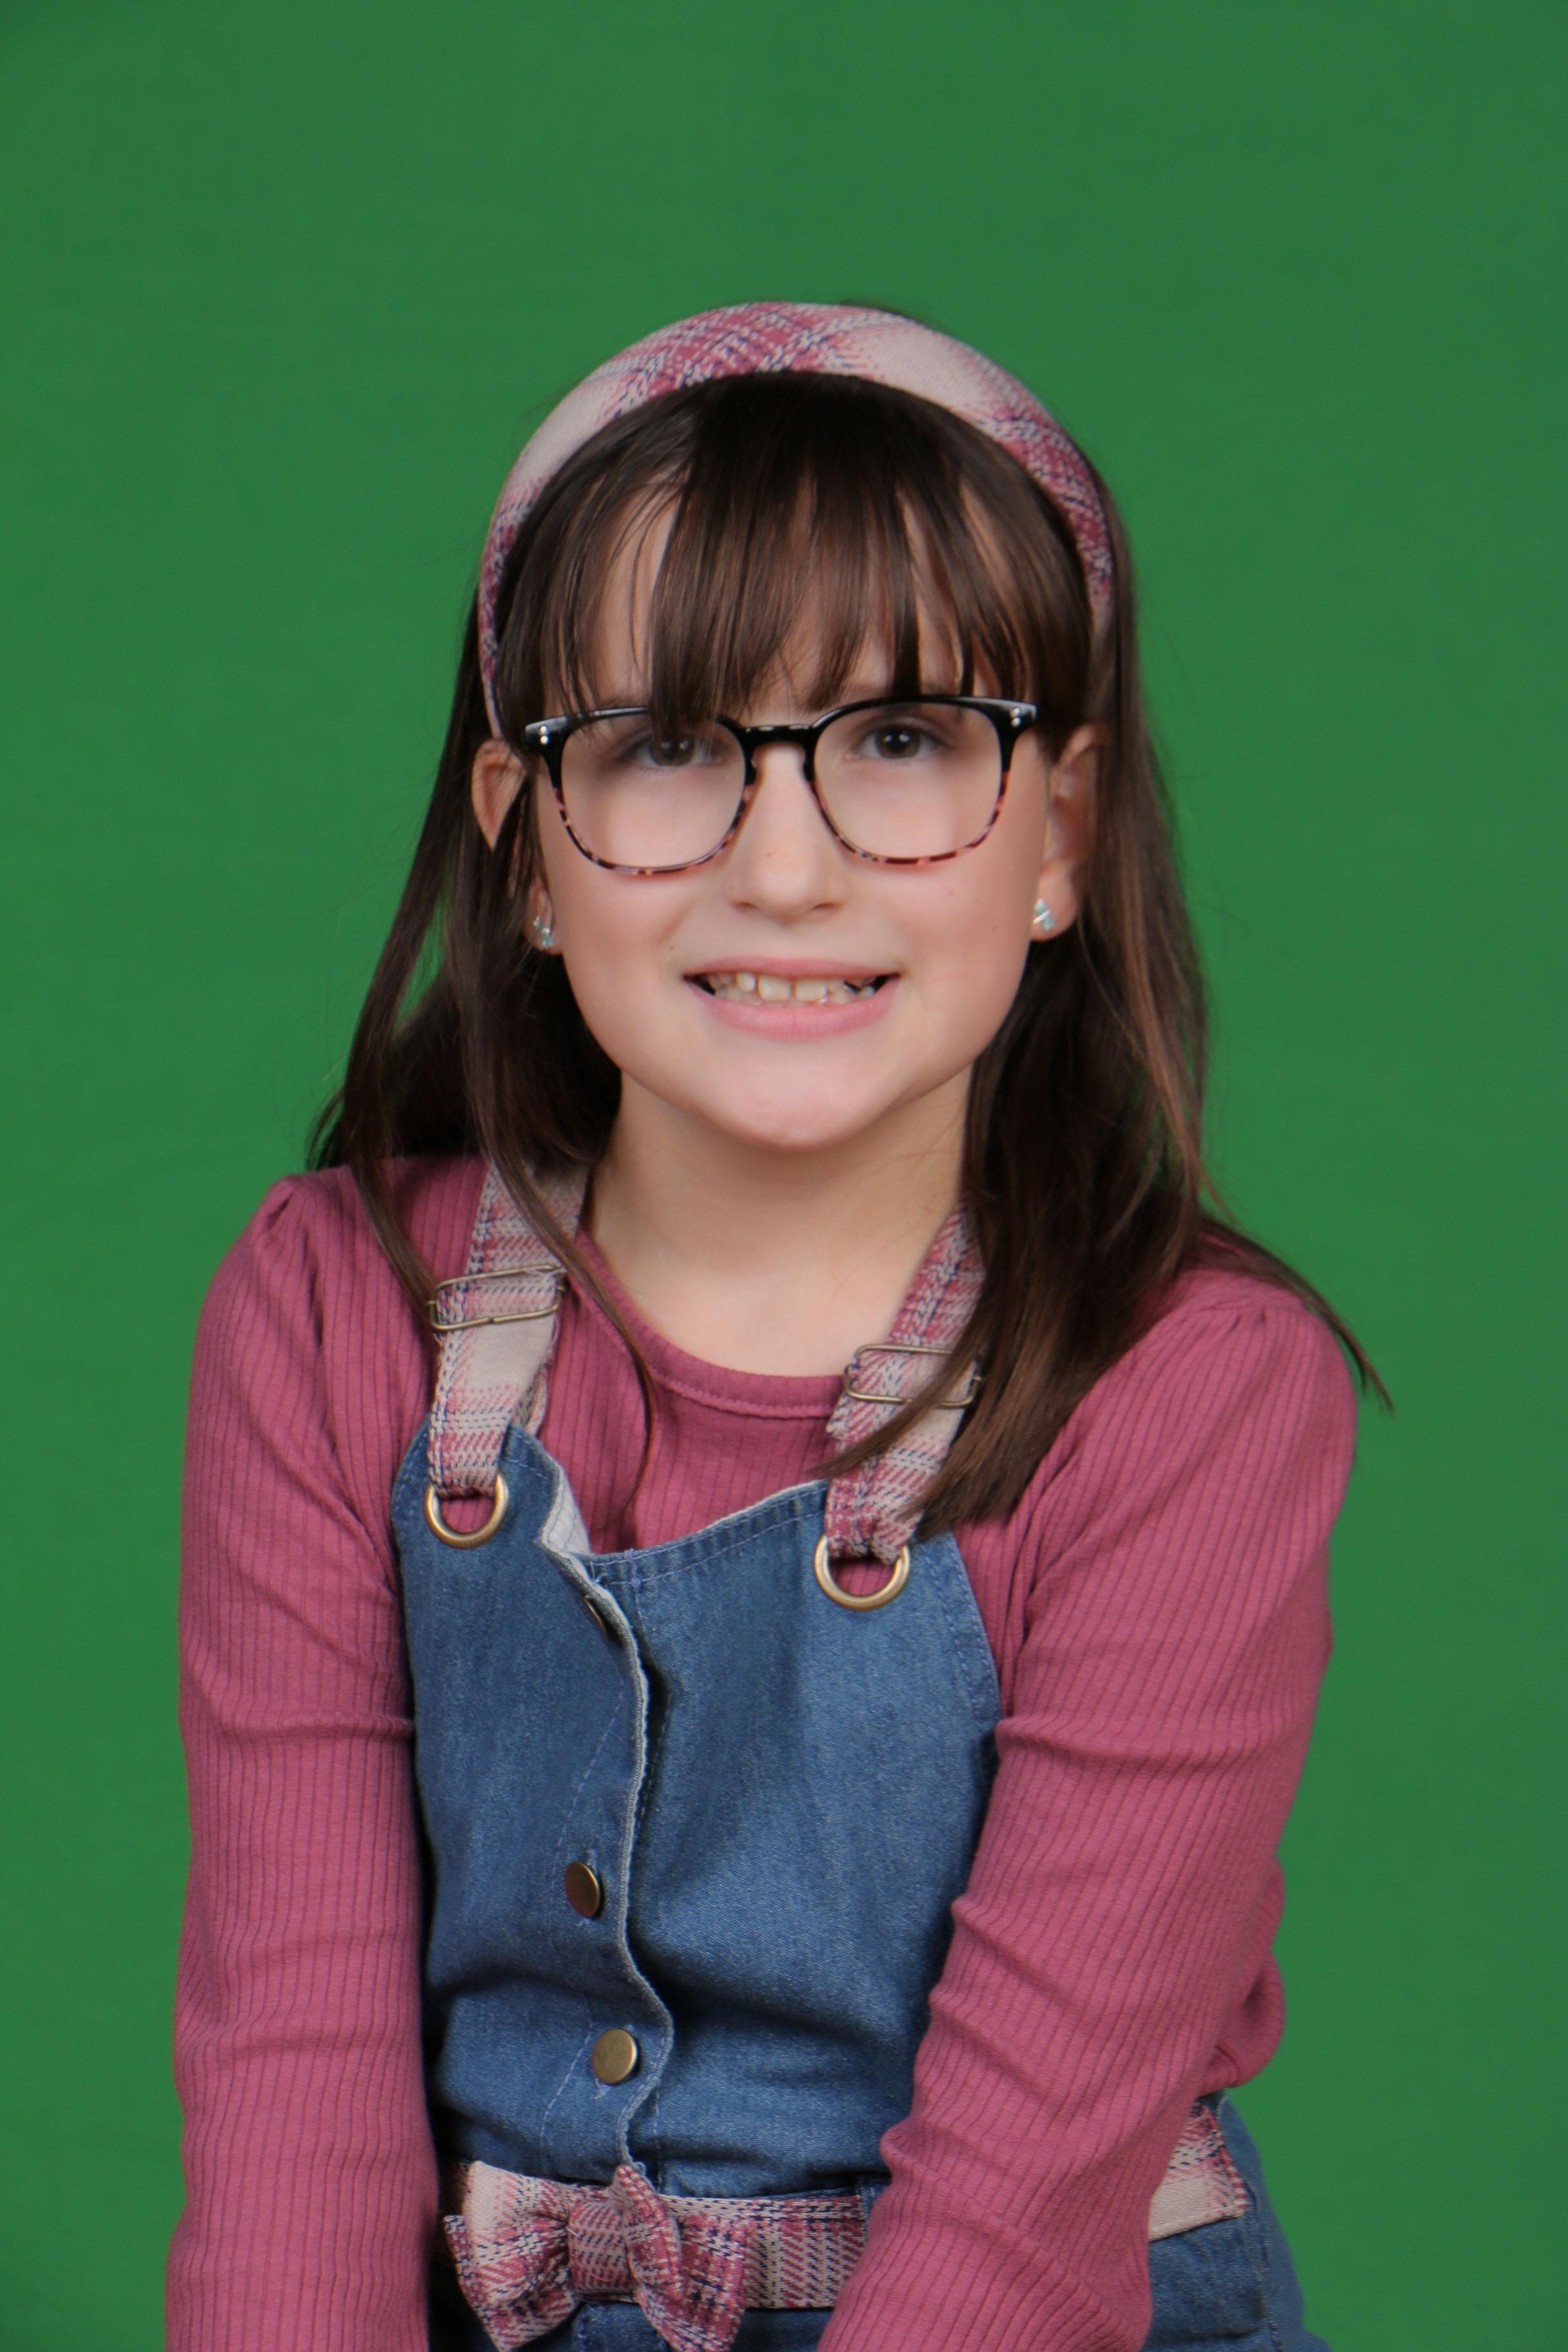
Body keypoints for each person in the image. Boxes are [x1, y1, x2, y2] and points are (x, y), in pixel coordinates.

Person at [168, 302, 1376, 2352]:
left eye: (901, 739)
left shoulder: (1188, 1386)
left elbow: (1021, 2206)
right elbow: (297, 2070)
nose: (786, 868)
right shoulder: (334, 1306)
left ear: (1061, 835)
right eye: (665, 748)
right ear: (525, 843)